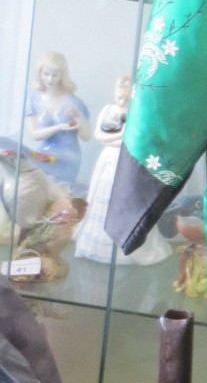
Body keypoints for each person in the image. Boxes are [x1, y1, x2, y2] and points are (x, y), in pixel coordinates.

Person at [73, 76, 172, 265]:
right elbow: (99, 135)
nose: (122, 100)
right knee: (101, 196)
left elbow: (135, 138)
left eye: (126, 97)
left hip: (127, 159)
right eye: (119, 96)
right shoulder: (107, 110)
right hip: (108, 159)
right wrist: (119, 136)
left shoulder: (137, 111)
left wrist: (119, 137)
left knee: (126, 196)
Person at [24, 52, 91, 190]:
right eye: (46, 74)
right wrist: (58, 127)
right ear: (39, 73)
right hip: (44, 154)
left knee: (57, 191)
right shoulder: (35, 99)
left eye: (55, 75)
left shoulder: (74, 102)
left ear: (62, 75)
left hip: (67, 157)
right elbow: (34, 134)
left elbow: (87, 136)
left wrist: (79, 117)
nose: (50, 79)